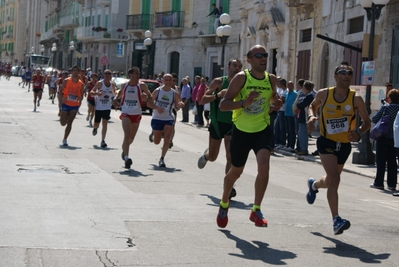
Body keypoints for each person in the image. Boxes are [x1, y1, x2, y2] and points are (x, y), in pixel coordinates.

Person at [216, 45, 281, 228]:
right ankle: (224, 203)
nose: (263, 58)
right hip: (242, 130)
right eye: (258, 55)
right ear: (249, 60)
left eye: (265, 55)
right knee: (236, 172)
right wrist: (244, 102)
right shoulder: (241, 78)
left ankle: (256, 209)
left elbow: (273, 98)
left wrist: (277, 103)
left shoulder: (271, 79)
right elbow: (224, 105)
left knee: (264, 167)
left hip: (262, 129)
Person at [306, 61, 371, 235]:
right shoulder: (324, 94)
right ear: (335, 76)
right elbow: (312, 106)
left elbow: (367, 122)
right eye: (343, 72)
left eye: (349, 73)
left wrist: (358, 132)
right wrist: (312, 117)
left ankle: (313, 186)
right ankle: (336, 220)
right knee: (335, 179)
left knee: (330, 181)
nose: (346, 75)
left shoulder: (355, 98)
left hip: (344, 145)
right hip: (326, 141)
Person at [198, 58, 243, 199]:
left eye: (240, 66)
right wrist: (217, 95)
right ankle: (206, 155)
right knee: (213, 157)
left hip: (233, 123)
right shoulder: (218, 81)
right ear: (228, 67)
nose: (237, 68)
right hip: (217, 123)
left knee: (230, 155)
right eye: (235, 66)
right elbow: (203, 99)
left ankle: (229, 187)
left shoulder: (242, 83)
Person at [112, 67, 153, 169]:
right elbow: (119, 93)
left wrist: (146, 98)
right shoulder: (124, 85)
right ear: (130, 74)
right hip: (126, 112)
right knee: (127, 134)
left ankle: (124, 149)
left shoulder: (142, 85)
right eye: (136, 73)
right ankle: (126, 158)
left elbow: (150, 96)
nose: (138, 75)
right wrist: (116, 99)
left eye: (139, 73)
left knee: (131, 138)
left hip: (137, 113)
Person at [148, 74, 184, 167]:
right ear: (163, 81)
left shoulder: (174, 93)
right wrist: (157, 107)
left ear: (172, 81)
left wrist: (179, 105)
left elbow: (176, 107)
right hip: (157, 118)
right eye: (166, 80)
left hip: (168, 118)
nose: (168, 82)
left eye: (170, 80)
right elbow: (149, 103)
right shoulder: (157, 91)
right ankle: (153, 136)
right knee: (156, 141)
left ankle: (162, 159)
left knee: (167, 139)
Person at [370, 89, 399, 191]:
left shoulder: (386, 107)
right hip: (395, 139)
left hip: (383, 137)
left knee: (381, 161)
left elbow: (374, 119)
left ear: (389, 98)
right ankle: (392, 184)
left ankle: (379, 183)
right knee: (392, 162)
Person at [59, 66, 85, 146]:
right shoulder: (66, 81)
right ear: (71, 72)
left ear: (79, 72)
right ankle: (63, 117)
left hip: (74, 105)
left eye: (77, 70)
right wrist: (62, 98)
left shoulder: (81, 84)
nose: (75, 72)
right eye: (73, 70)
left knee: (70, 123)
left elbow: (81, 95)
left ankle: (65, 139)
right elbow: (60, 91)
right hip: (66, 103)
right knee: (63, 123)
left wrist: (80, 98)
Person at [90, 69, 116, 148]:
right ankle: (95, 128)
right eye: (106, 74)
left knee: (105, 124)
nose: (107, 75)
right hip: (99, 107)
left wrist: (116, 97)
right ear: (103, 75)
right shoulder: (99, 83)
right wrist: (98, 93)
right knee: (96, 124)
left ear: (111, 76)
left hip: (107, 107)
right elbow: (91, 92)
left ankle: (103, 141)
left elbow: (115, 93)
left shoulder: (113, 84)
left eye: (109, 74)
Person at [296, 80, 315, 155]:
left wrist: (298, 105)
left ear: (305, 87)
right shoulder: (306, 95)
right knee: (300, 133)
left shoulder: (309, 96)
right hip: (302, 116)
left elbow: (301, 105)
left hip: (305, 117)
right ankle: (301, 148)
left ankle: (304, 149)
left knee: (303, 134)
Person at [284, 81, 297, 152]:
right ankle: (288, 144)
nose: (290, 86)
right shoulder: (286, 94)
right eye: (288, 85)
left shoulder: (295, 94)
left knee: (292, 130)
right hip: (286, 113)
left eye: (291, 85)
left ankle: (292, 145)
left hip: (292, 114)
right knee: (288, 130)